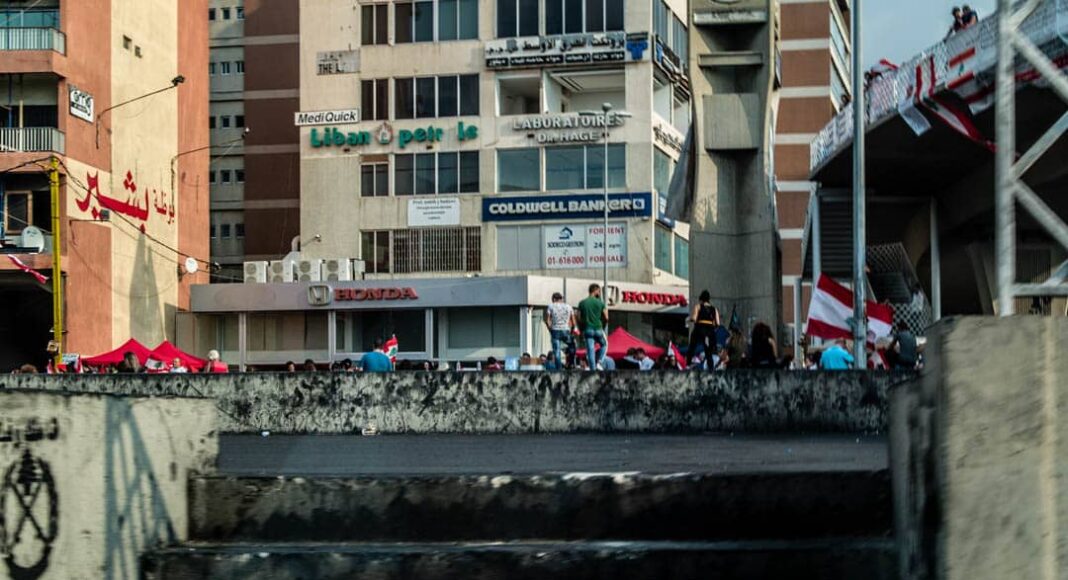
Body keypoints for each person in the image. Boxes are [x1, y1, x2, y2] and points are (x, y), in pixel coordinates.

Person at [577, 283, 608, 370]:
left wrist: (581, 328)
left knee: (590, 350)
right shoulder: (600, 303)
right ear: (595, 291)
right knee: (604, 345)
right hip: (598, 328)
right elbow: (606, 317)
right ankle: (599, 361)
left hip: (587, 329)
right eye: (599, 291)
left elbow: (578, 317)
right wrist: (603, 326)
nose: (599, 293)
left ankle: (592, 369)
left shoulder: (582, 303)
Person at [685, 290, 720, 368]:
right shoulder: (714, 309)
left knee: (692, 346)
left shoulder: (698, 306)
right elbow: (718, 323)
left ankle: (688, 364)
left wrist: (688, 319)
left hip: (700, 328)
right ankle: (711, 368)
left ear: (701, 299)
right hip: (710, 331)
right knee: (708, 351)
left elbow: (694, 318)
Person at [544, 292, 577, 370]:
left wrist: (550, 330)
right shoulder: (568, 307)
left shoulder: (551, 306)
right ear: (561, 299)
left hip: (555, 330)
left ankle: (559, 369)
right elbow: (573, 322)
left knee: (557, 350)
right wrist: (572, 331)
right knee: (572, 346)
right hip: (566, 330)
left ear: (554, 299)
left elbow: (547, 321)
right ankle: (571, 363)